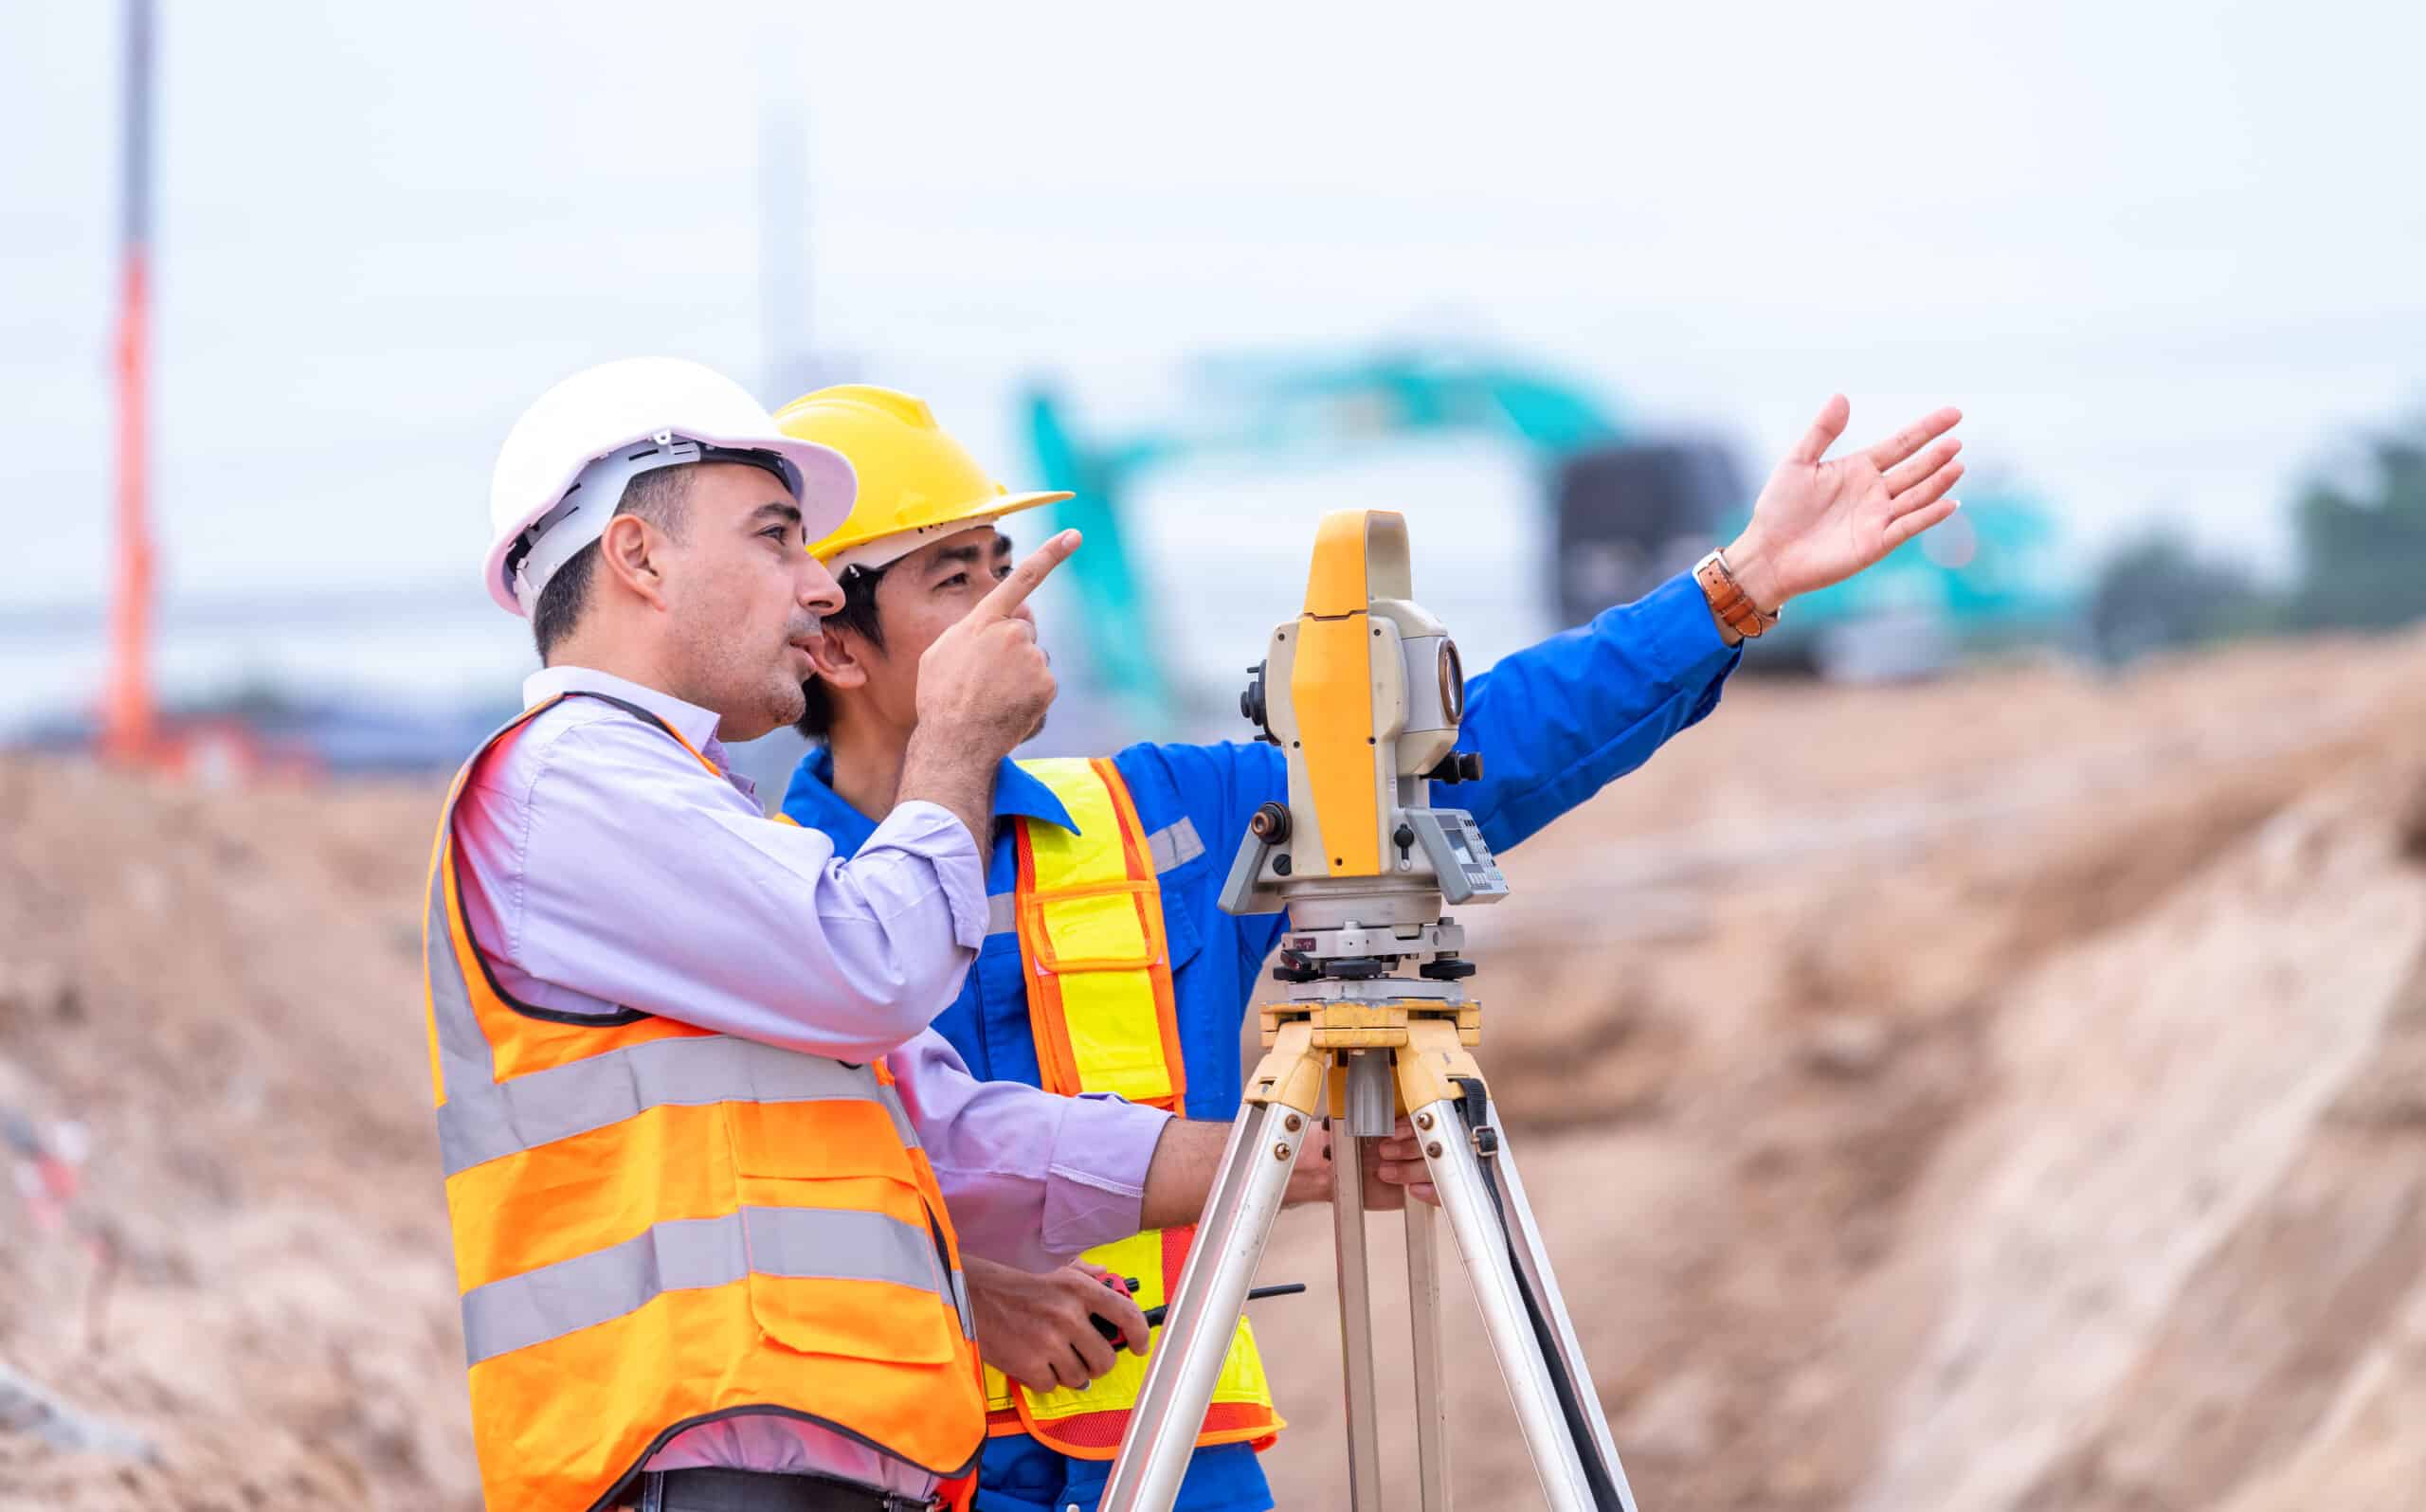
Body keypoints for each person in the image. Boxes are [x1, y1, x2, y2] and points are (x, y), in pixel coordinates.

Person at [773, 383, 1965, 1512]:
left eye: (1007, 564)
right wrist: (964, 1299)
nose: (1013, 600)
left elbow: (1465, 754)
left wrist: (1736, 585)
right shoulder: (752, 906)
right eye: (957, 578)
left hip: (1173, 1458)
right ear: (832, 640)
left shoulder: (1154, 827)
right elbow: (730, 1216)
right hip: (886, 1467)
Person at [424, 357, 1361, 1512]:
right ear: (638, 557)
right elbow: (878, 969)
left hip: (785, 1459)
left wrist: (1290, 1158)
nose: (817, 587)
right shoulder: (571, 782)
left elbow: (938, 1131)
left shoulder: (692, 814)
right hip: (698, 1466)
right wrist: (955, 743)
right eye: (777, 538)